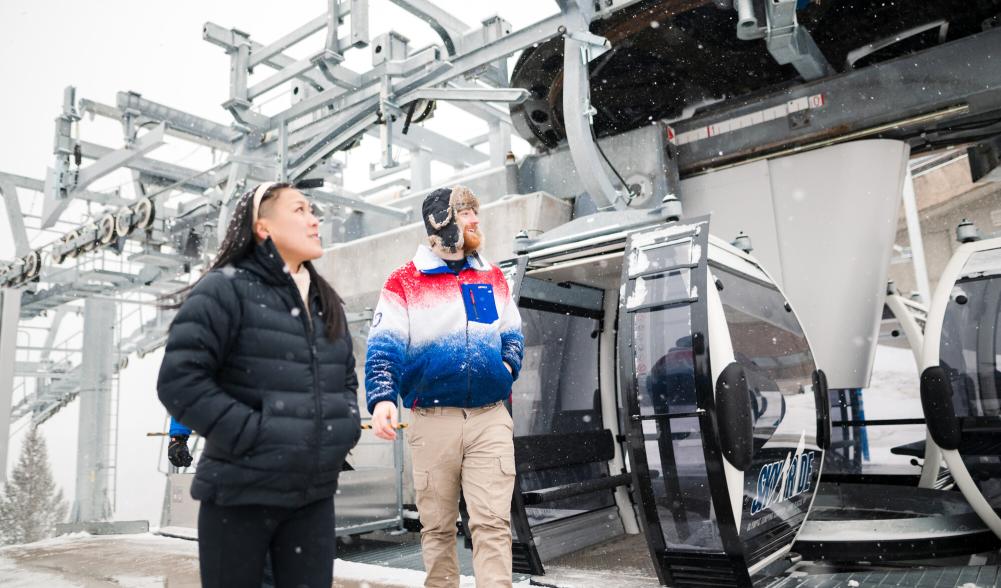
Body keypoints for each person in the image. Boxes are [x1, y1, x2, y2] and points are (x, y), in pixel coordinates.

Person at [157, 181, 360, 588]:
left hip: (312, 499)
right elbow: (179, 380)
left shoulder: (324, 300)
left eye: (312, 210)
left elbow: (346, 380)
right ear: (263, 228)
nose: (314, 219)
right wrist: (256, 435)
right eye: (299, 210)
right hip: (240, 497)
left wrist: (343, 429)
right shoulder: (225, 289)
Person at [365, 185, 525, 587]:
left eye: (475, 212)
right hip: (432, 420)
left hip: (490, 419)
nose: (475, 220)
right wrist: (383, 398)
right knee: (437, 528)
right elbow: (384, 345)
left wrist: (505, 368)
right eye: (466, 213)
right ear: (442, 223)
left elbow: (513, 333)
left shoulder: (490, 276)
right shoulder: (404, 281)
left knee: (492, 523)